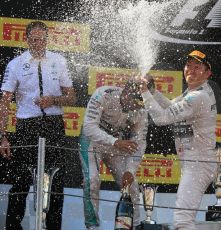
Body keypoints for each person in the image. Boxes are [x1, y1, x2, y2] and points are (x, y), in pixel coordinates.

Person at [0, 21, 76, 230]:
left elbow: (72, 97)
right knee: (22, 180)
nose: (38, 43)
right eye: (34, 39)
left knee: (56, 181)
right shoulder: (15, 64)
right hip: (27, 126)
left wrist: (53, 100)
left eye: (42, 39)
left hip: (53, 125)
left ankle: (53, 227)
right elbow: (4, 102)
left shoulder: (59, 61)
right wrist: (3, 136)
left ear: (46, 39)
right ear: (26, 40)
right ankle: (13, 227)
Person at [140, 50, 218, 230]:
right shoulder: (194, 92)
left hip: (199, 163)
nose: (191, 69)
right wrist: (153, 90)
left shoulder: (198, 96)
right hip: (195, 161)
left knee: (182, 220)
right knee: (183, 219)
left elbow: (162, 118)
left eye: (197, 67)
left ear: (208, 73)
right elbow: (172, 106)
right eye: (188, 66)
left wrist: (145, 92)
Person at [79, 80, 148, 230]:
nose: (135, 108)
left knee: (131, 185)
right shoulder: (104, 94)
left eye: (140, 105)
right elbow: (89, 127)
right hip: (93, 141)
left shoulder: (142, 109)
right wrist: (115, 141)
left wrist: (130, 169)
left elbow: (140, 142)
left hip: (116, 144)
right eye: (134, 104)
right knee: (92, 180)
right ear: (125, 93)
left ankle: (133, 226)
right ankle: (92, 226)